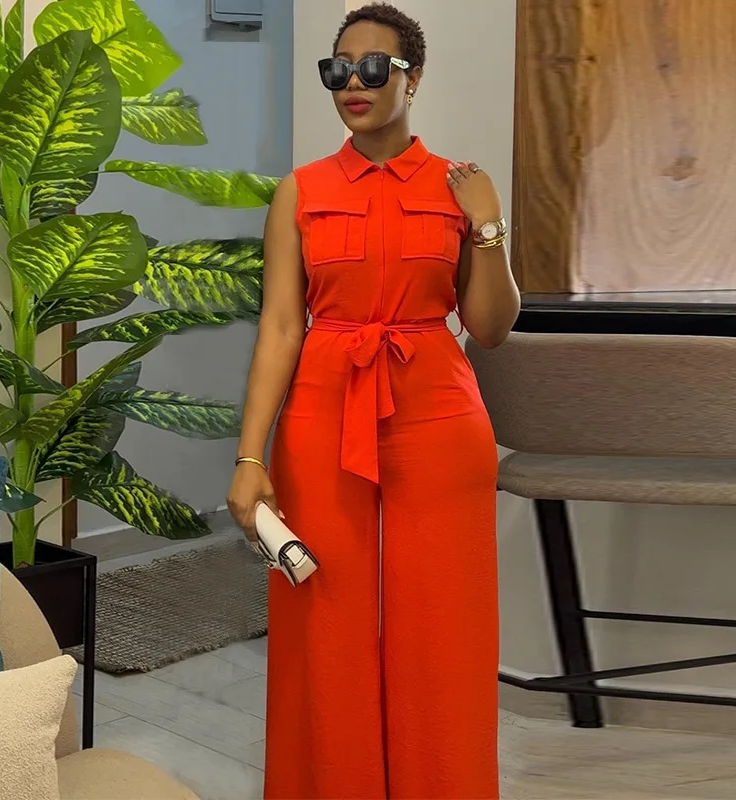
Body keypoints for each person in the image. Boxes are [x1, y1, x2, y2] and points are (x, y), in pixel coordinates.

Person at [227, 3, 520, 797]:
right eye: (337, 70)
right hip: (323, 412)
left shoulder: (458, 185)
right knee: (323, 616)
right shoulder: (301, 192)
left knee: (443, 622)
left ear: (411, 78)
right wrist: (250, 456)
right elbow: (281, 327)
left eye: (372, 68)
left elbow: (490, 328)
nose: (351, 84)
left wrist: (488, 227)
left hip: (439, 417)